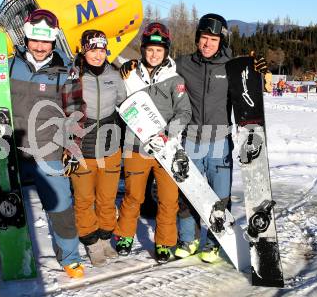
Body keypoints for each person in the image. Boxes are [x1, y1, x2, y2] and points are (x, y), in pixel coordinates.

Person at [0, 9, 84, 279]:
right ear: (26, 37)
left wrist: (72, 146)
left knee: (60, 205)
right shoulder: (8, 65)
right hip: (9, 148)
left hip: (48, 150)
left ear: (54, 41)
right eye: (35, 39)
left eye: (45, 41)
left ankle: (69, 257)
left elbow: (76, 113)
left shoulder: (65, 72)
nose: (39, 46)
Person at [174, 13, 268, 263]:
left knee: (219, 195)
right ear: (197, 39)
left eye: (213, 40)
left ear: (221, 42)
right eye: (203, 38)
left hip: (220, 142)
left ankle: (214, 243)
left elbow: (251, 94)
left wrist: (257, 73)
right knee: (187, 193)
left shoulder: (233, 67)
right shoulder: (182, 64)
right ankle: (188, 239)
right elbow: (157, 71)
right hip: (191, 138)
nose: (207, 44)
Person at [114, 22, 192, 263]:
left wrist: (168, 134)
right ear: (143, 50)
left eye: (159, 50)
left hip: (166, 148)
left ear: (166, 51)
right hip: (136, 146)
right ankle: (125, 235)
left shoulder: (174, 78)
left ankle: (164, 242)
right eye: (149, 49)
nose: (154, 54)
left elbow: (184, 113)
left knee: (168, 200)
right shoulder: (129, 75)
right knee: (133, 196)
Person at [62, 30, 126, 266]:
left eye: (101, 50)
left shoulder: (114, 75)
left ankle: (106, 238)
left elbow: (124, 102)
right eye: (92, 50)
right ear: (84, 50)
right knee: (84, 199)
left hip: (110, 145)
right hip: (82, 146)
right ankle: (92, 242)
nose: (98, 55)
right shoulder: (73, 75)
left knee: (107, 198)